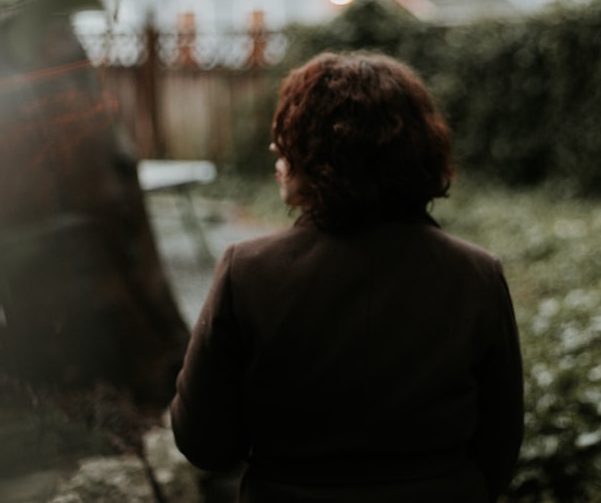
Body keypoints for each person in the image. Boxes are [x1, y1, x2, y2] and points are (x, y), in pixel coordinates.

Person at [170, 51, 524, 502]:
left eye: (290, 137)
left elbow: (203, 440)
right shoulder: (477, 274)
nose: (275, 150)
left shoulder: (248, 271)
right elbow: (501, 440)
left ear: (324, 156)